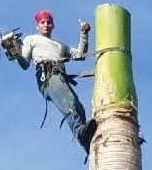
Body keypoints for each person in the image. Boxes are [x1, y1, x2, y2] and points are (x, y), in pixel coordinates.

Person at [8, 10, 97, 154]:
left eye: (48, 22)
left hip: (60, 76)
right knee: (69, 103)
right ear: (37, 26)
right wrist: (15, 51)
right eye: (42, 22)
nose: (46, 25)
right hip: (48, 76)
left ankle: (87, 142)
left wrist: (83, 34)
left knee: (79, 108)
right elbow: (24, 63)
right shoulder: (31, 39)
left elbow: (80, 55)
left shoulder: (59, 45)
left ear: (53, 25)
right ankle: (80, 132)